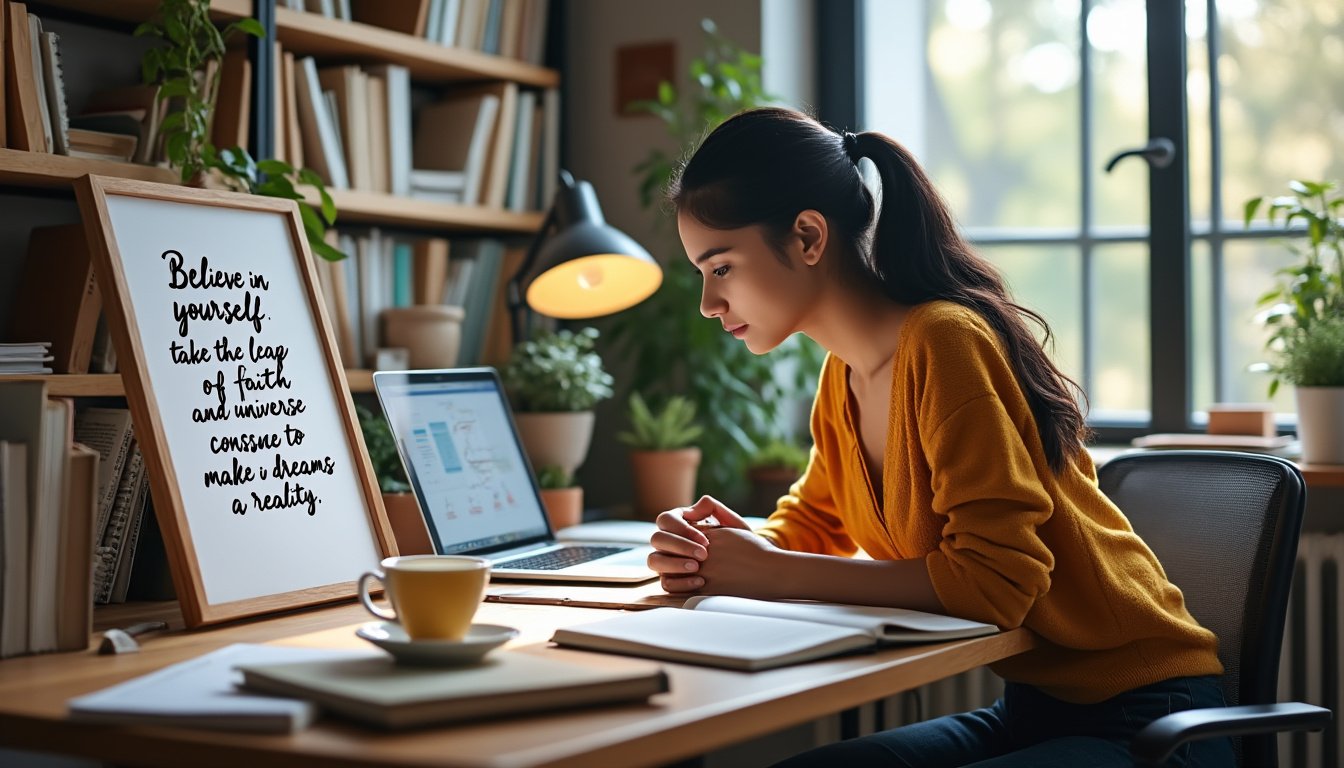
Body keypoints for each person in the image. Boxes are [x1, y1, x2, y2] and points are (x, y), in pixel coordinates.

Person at [647, 106, 1234, 767]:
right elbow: (816, 520)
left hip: (1150, 719)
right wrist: (725, 549)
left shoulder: (944, 342)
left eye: (720, 267)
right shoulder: (843, 378)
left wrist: (773, 571)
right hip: (1035, 713)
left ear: (809, 237)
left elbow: (996, 583)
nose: (707, 302)